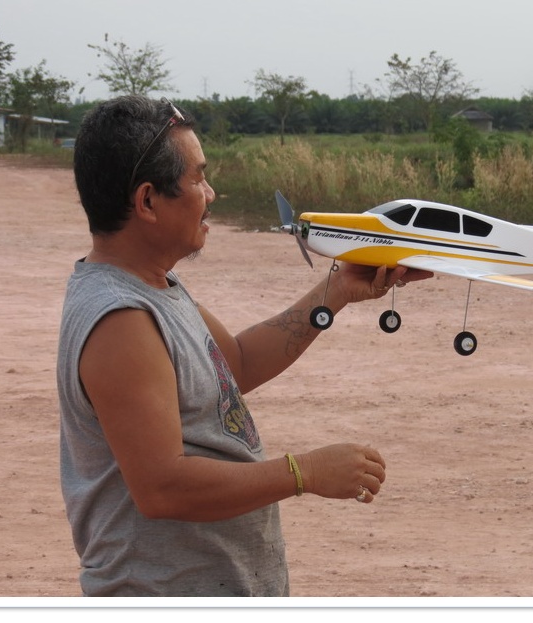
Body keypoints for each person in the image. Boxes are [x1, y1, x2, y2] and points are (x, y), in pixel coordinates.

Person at [57, 95, 431, 597]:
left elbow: (235, 363)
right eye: (198, 178)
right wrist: (304, 473)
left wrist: (338, 289)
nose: (211, 193)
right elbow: (163, 488)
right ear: (147, 201)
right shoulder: (121, 321)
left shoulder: (155, 286)